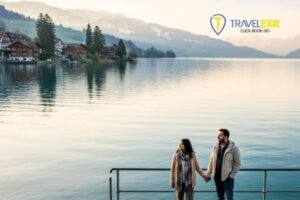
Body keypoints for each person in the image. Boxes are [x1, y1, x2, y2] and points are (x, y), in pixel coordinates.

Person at [206, 129, 241, 200]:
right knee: (220, 197)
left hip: (227, 178)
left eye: (220, 135)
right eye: (218, 135)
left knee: (229, 198)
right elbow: (211, 160)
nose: (217, 137)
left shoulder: (234, 148)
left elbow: (238, 163)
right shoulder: (215, 147)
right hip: (217, 177)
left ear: (226, 136)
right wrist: (208, 173)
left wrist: (231, 175)